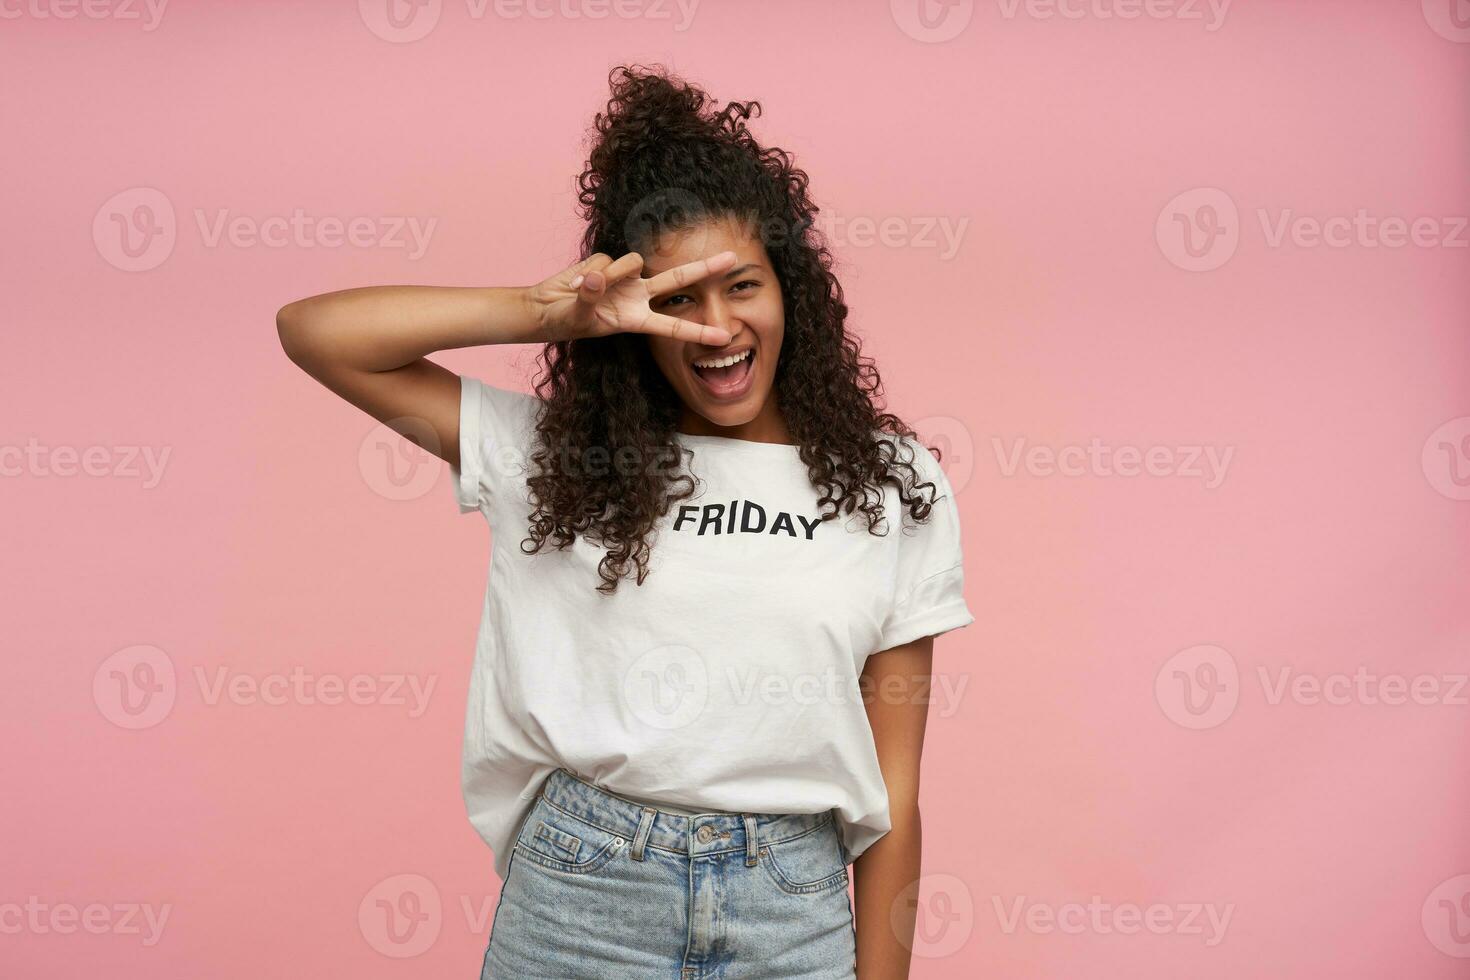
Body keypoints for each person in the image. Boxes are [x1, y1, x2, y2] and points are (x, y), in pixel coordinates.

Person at [277, 63, 974, 980]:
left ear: (791, 290)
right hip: (581, 900)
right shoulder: (555, 459)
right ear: (632, 316)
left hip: (793, 914)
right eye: (677, 299)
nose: (717, 327)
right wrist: (546, 312)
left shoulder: (888, 485)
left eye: (742, 286)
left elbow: (899, 790)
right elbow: (314, 332)